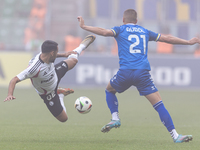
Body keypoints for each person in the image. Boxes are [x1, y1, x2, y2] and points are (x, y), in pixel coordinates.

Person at [77, 9, 200, 143]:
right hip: (142, 73)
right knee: (159, 105)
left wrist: (84, 26)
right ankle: (175, 136)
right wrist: (188, 42)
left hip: (125, 72)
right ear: (136, 21)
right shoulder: (144, 31)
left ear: (123, 20)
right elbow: (167, 38)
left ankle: (115, 118)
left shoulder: (120, 29)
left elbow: (105, 32)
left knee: (109, 90)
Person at [4, 35, 96, 122]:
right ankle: (60, 95)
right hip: (48, 93)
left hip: (55, 73)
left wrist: (64, 54)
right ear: (52, 53)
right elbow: (14, 79)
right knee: (64, 119)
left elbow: (56, 55)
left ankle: (81, 46)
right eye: (56, 52)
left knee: (73, 60)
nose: (57, 53)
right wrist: (10, 94)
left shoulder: (45, 54)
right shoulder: (34, 69)